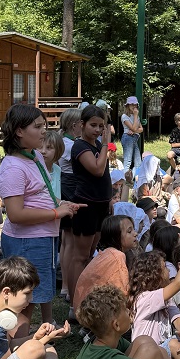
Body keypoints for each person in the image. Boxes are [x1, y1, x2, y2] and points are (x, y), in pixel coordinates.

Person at [0, 105, 80, 326]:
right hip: (27, 242)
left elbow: (41, 193)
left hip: (41, 238)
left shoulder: (33, 156)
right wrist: (55, 212)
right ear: (19, 131)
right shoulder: (13, 167)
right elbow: (15, 214)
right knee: (24, 302)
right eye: (37, 126)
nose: (44, 131)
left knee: (38, 294)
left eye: (44, 125)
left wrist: (61, 203)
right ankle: (18, 344)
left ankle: (35, 336)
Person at [68, 105, 112, 322]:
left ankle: (85, 299)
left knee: (90, 255)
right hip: (86, 205)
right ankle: (74, 305)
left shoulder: (96, 145)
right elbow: (97, 169)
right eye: (93, 125)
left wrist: (109, 199)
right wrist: (105, 144)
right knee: (80, 256)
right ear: (82, 124)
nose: (97, 130)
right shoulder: (80, 146)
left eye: (101, 126)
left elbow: (105, 174)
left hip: (101, 206)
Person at [73, 214, 139, 310]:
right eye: (129, 231)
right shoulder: (117, 256)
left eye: (133, 229)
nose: (135, 233)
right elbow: (123, 294)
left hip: (84, 309)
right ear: (116, 236)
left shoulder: (108, 253)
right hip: (92, 312)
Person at [58, 108, 83, 300]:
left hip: (66, 187)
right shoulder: (70, 145)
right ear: (75, 125)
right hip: (71, 188)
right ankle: (67, 285)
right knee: (71, 241)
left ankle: (66, 285)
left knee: (66, 239)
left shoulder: (64, 142)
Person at [120, 97, 144, 172]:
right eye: (132, 104)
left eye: (135, 104)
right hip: (127, 138)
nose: (134, 106)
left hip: (134, 139)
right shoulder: (124, 116)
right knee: (128, 161)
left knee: (138, 163)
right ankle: (124, 178)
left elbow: (141, 129)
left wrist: (134, 131)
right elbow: (134, 128)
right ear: (128, 105)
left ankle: (134, 177)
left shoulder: (136, 116)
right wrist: (136, 116)